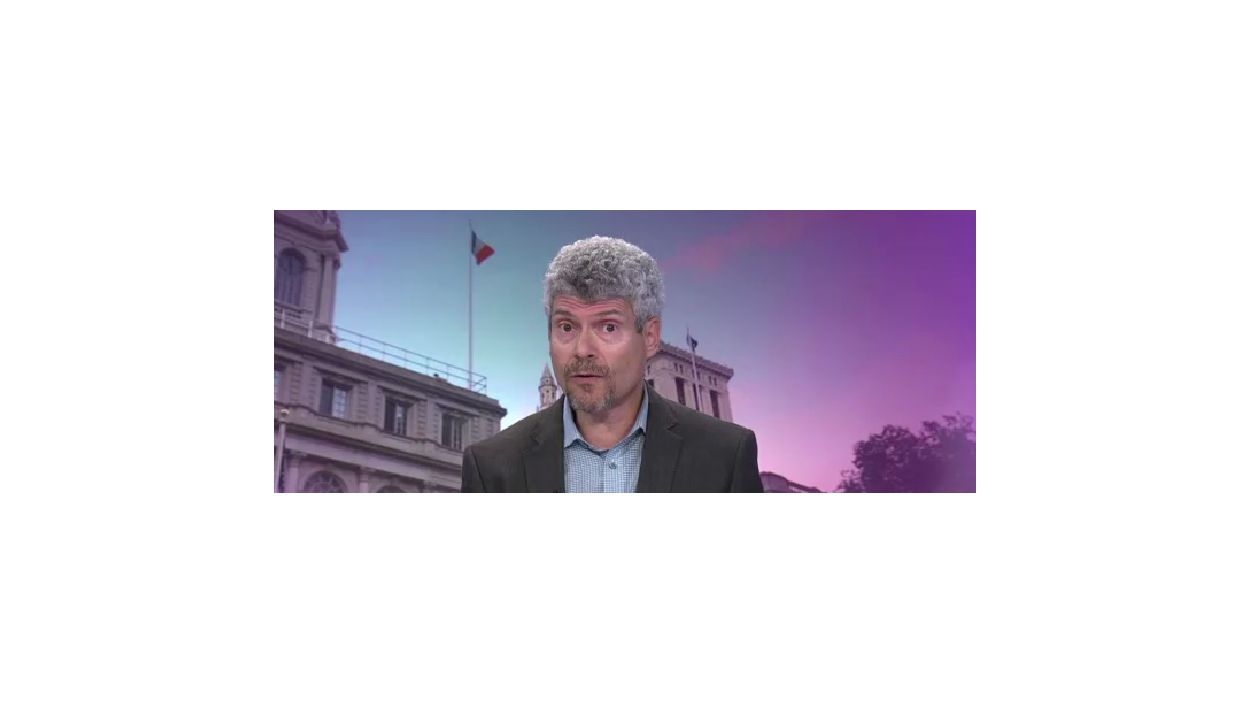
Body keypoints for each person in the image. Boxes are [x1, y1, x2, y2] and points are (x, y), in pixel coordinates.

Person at [462, 235, 763, 492]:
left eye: (608, 327)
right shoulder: (490, 467)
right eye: (566, 327)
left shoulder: (726, 457)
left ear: (650, 336)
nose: (582, 349)